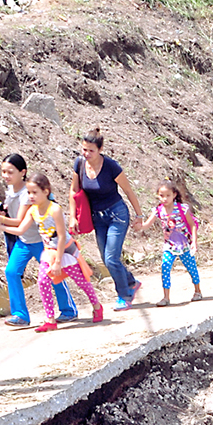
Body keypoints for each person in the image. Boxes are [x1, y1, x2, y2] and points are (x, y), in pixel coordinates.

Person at [0, 154, 79, 328]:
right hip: (24, 241)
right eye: (3, 171)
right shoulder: (11, 191)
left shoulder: (28, 194)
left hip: (41, 241)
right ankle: (20, 314)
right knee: (12, 271)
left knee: (53, 275)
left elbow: (20, 221)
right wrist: (1, 215)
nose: (5, 175)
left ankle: (68, 309)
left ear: (23, 172)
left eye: (10, 172)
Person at [71, 128, 146, 311]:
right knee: (107, 259)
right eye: (84, 149)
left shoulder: (111, 166)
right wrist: (72, 217)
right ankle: (131, 281)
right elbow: (74, 191)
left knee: (112, 258)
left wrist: (139, 216)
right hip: (98, 218)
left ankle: (124, 295)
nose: (86, 154)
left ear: (100, 149)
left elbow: (128, 191)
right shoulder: (79, 164)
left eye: (91, 150)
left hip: (117, 214)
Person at [24, 172, 103, 332]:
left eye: (34, 192)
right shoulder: (32, 210)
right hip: (49, 252)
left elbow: (61, 237)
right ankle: (50, 319)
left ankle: (97, 306)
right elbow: (20, 228)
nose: (31, 196)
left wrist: (58, 262)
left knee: (81, 281)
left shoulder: (55, 210)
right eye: (28, 192)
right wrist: (0, 222)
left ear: (46, 192)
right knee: (42, 282)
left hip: (65, 251)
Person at [151, 181, 204, 306]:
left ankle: (197, 291)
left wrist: (194, 243)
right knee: (165, 266)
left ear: (174, 195)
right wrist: (139, 225)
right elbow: (147, 224)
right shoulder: (158, 210)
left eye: (168, 195)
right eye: (161, 195)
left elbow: (192, 226)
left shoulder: (182, 209)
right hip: (169, 245)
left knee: (191, 268)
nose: (165, 199)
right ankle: (166, 297)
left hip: (184, 244)